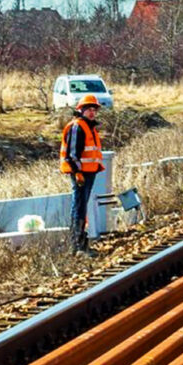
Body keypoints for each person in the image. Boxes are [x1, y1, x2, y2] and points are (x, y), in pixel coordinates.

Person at [60, 92, 105, 252]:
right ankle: (78, 245)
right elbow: (72, 154)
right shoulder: (78, 126)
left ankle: (80, 243)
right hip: (81, 174)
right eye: (88, 109)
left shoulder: (89, 127)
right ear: (81, 110)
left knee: (81, 207)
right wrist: (77, 172)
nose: (92, 112)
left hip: (88, 173)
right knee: (78, 207)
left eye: (94, 109)